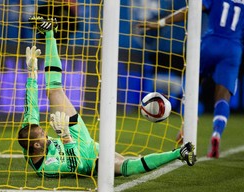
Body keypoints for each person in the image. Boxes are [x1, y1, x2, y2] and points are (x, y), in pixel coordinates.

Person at [17, 17, 196, 179]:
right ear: (37, 147)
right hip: (89, 161)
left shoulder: (29, 134)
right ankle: (178, 153)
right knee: (126, 166)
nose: (45, 133)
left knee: (54, 91)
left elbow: (31, 108)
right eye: (42, 135)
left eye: (42, 131)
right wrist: (65, 138)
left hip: (74, 135)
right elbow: (74, 166)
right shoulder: (47, 168)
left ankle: (49, 32)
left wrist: (32, 74)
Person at [138, 0, 244, 158]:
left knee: (193, 80)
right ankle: (216, 134)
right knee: (223, 96)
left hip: (210, 43)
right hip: (233, 49)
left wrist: (161, 22)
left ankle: (188, 122)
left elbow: (190, 10)